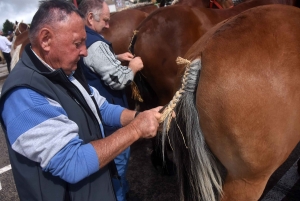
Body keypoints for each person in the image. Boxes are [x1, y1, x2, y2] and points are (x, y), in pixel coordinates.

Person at [0, 1, 162, 201]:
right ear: (46, 39)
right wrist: (136, 129)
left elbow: (101, 108)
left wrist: (143, 116)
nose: (85, 51)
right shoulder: (23, 95)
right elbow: (72, 162)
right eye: (78, 44)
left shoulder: (63, 72)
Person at [78, 0, 143, 200]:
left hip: (96, 116)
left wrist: (114, 57)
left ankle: (123, 190)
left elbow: (92, 63)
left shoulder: (83, 38)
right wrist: (133, 67)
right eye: (105, 20)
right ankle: (119, 195)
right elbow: (118, 81)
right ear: (90, 17)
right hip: (110, 118)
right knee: (118, 164)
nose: (108, 25)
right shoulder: (96, 44)